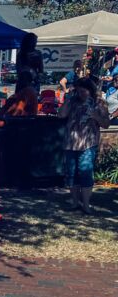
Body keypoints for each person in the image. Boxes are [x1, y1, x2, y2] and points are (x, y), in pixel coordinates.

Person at [58, 77, 110, 214]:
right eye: (79, 90)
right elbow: (61, 115)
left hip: (88, 143)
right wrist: (68, 99)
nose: (81, 93)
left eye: (84, 90)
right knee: (71, 174)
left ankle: (86, 204)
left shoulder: (99, 103)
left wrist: (95, 116)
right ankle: (75, 202)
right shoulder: (73, 101)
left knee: (85, 172)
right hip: (71, 142)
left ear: (90, 90)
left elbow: (106, 123)